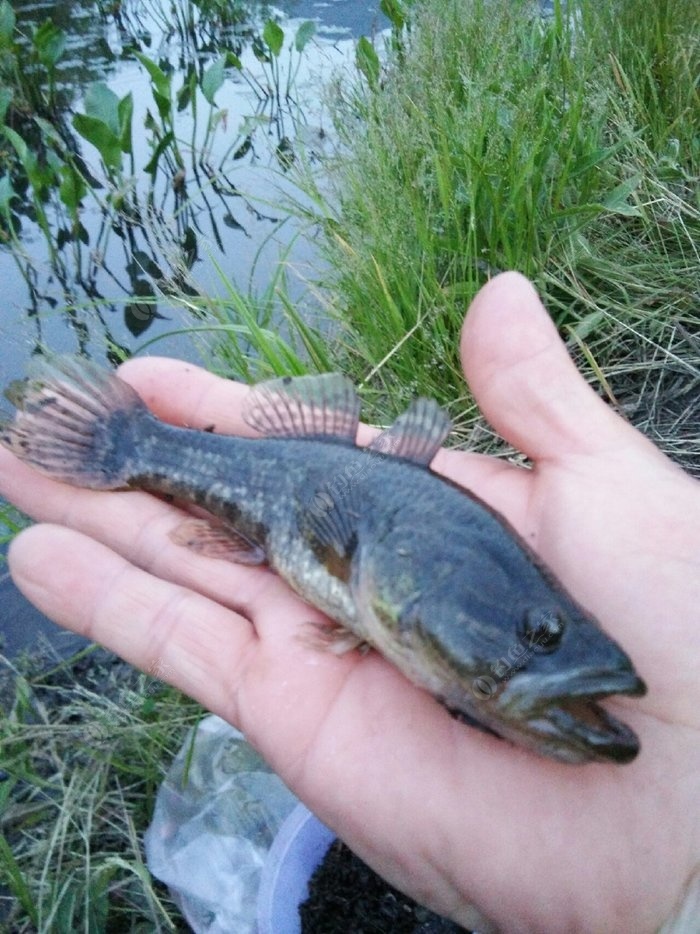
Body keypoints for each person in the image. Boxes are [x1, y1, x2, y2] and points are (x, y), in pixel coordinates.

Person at [1, 272, 698, 932]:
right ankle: (125, 443)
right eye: (540, 630)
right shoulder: (375, 563)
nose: (544, 642)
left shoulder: (405, 582)